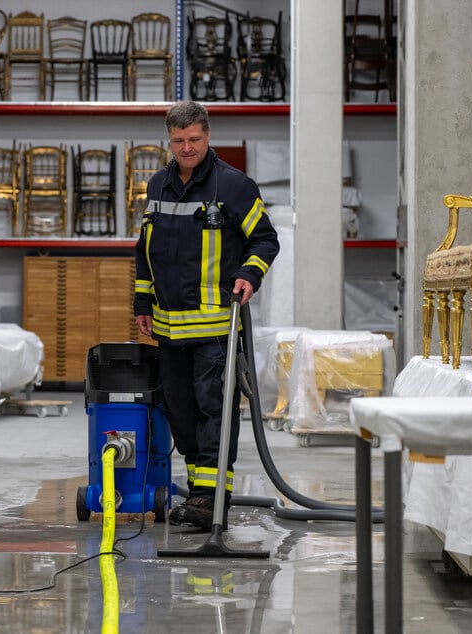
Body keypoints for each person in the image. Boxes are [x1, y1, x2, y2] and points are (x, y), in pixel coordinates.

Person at [133, 101, 280, 530]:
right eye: (178, 140)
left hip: (216, 327)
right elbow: (145, 250)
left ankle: (211, 499)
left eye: (194, 139)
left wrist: (249, 275)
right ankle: (200, 491)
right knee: (180, 412)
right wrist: (143, 303)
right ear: (169, 139)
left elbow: (265, 240)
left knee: (214, 409)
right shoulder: (157, 185)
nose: (186, 147)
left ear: (207, 135)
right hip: (169, 328)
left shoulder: (233, 186)